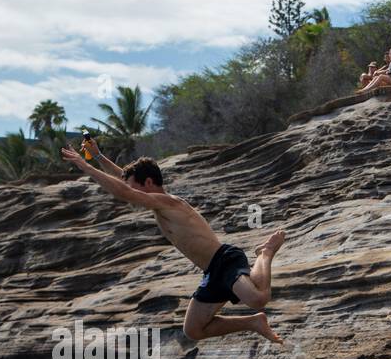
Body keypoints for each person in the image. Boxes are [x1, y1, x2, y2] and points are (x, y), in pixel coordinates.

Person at [61, 139, 285, 345]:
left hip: (224, 260)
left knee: (258, 298)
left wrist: (86, 165)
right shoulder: (157, 202)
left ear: (148, 182)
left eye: (134, 186)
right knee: (193, 330)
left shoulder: (170, 203)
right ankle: (254, 322)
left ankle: (265, 253)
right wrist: (98, 156)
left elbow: (123, 191)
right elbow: (123, 181)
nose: (131, 192)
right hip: (211, 271)